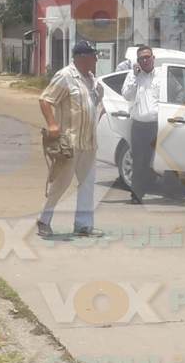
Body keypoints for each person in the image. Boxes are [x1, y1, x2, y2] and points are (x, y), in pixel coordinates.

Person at [37, 41, 105, 238]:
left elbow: (92, 104)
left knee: (87, 184)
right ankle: (44, 220)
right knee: (61, 183)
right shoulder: (66, 76)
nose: (96, 60)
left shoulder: (91, 79)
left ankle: (83, 225)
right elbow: (45, 99)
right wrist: (52, 124)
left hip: (89, 142)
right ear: (82, 58)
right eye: (93, 56)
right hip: (70, 142)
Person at [120, 45, 165, 205]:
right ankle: (137, 195)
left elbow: (177, 92)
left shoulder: (162, 75)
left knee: (159, 160)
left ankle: (166, 191)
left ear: (153, 58)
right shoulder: (133, 76)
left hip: (159, 125)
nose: (145, 60)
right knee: (139, 161)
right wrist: (134, 76)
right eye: (141, 58)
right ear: (137, 61)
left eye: (147, 57)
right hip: (139, 125)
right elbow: (127, 95)